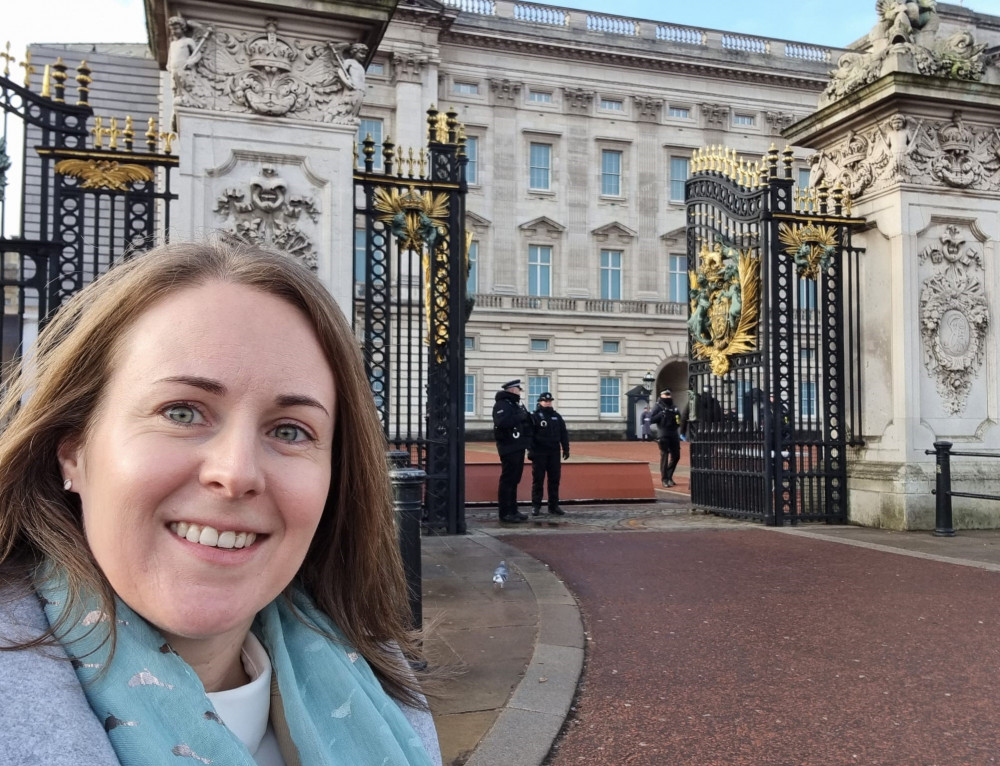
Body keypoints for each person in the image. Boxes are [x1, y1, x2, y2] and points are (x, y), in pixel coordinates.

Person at [0, 241, 441, 766]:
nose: (235, 474)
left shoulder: (377, 681)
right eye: (182, 412)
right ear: (73, 451)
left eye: (290, 430)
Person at [492, 379, 533, 523]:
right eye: (518, 389)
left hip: (518, 445)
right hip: (508, 446)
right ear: (512, 390)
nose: (519, 392)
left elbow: (524, 423)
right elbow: (502, 422)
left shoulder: (516, 404)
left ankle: (513, 510)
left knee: (515, 480)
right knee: (508, 480)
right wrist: (519, 417)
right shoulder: (502, 404)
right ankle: (505, 512)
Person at [528, 392, 570, 517]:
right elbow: (530, 435)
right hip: (539, 452)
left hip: (554, 452)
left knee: (554, 480)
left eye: (549, 401)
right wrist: (530, 450)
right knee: (538, 480)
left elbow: (563, 433)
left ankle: (553, 506)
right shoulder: (535, 416)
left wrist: (566, 448)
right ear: (540, 402)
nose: (547, 403)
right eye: (545, 401)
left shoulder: (557, 416)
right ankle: (536, 506)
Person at [651, 389, 682, 488]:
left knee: (676, 456)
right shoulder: (657, 407)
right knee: (664, 456)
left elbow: (679, 419)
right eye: (666, 395)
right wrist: (660, 415)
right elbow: (651, 419)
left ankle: (669, 476)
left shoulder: (674, 407)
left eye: (669, 395)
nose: (668, 397)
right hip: (663, 434)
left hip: (674, 433)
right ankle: (664, 479)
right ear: (661, 396)